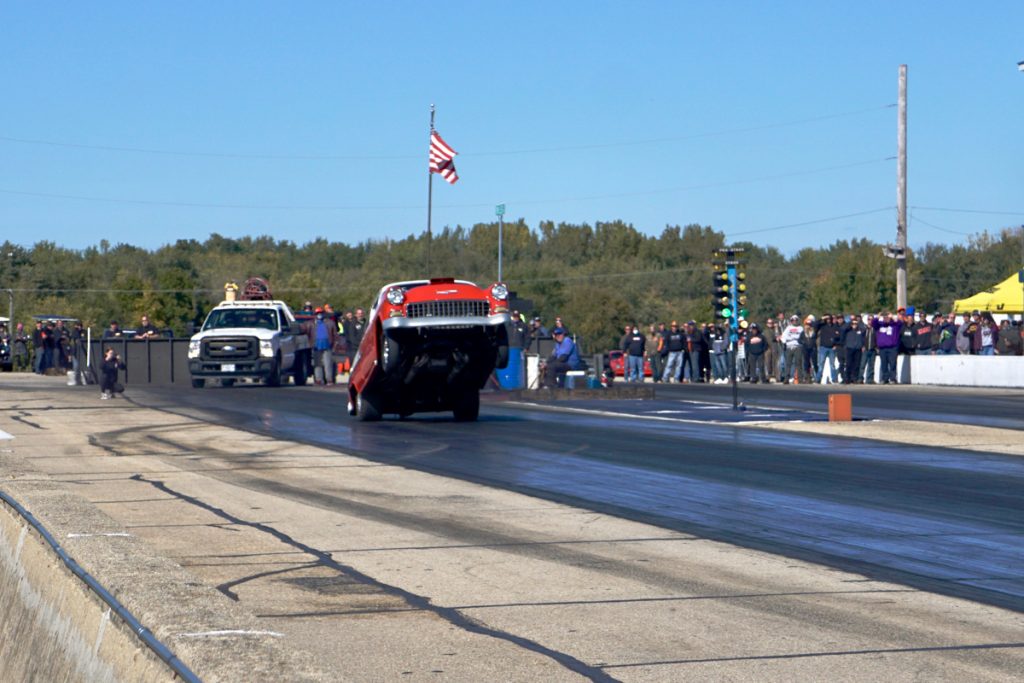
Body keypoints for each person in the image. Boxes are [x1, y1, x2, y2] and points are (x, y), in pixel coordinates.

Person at [307, 307, 339, 385]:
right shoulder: (311, 323)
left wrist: (335, 343)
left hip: (327, 346)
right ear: (315, 314)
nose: (319, 315)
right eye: (318, 313)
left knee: (328, 363)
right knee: (317, 364)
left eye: (321, 313)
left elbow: (335, 334)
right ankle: (318, 379)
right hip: (316, 346)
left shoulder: (330, 322)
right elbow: (305, 330)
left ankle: (329, 379)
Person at [872, 311, 902, 384]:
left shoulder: (894, 325)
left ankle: (893, 378)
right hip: (882, 348)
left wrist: (892, 317)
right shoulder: (880, 325)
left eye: (887, 317)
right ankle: (885, 378)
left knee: (893, 363)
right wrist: (878, 316)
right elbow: (873, 323)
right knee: (884, 364)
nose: (886, 319)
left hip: (892, 348)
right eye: (885, 318)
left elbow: (900, 323)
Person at [839, 315, 866, 385]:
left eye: (855, 324)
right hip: (849, 348)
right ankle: (847, 378)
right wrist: (850, 322)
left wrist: (858, 322)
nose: (854, 325)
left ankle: (854, 378)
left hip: (858, 349)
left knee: (857, 365)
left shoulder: (860, 329)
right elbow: (842, 329)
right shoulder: (848, 329)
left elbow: (864, 329)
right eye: (853, 324)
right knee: (848, 364)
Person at [780, 315, 803, 384]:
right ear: (791, 321)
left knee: (798, 363)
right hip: (789, 347)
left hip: (798, 347)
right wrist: (787, 340)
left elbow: (801, 337)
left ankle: (800, 378)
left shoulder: (800, 328)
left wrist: (792, 337)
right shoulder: (788, 328)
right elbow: (783, 337)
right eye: (793, 320)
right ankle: (786, 378)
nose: (794, 321)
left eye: (796, 320)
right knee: (788, 364)